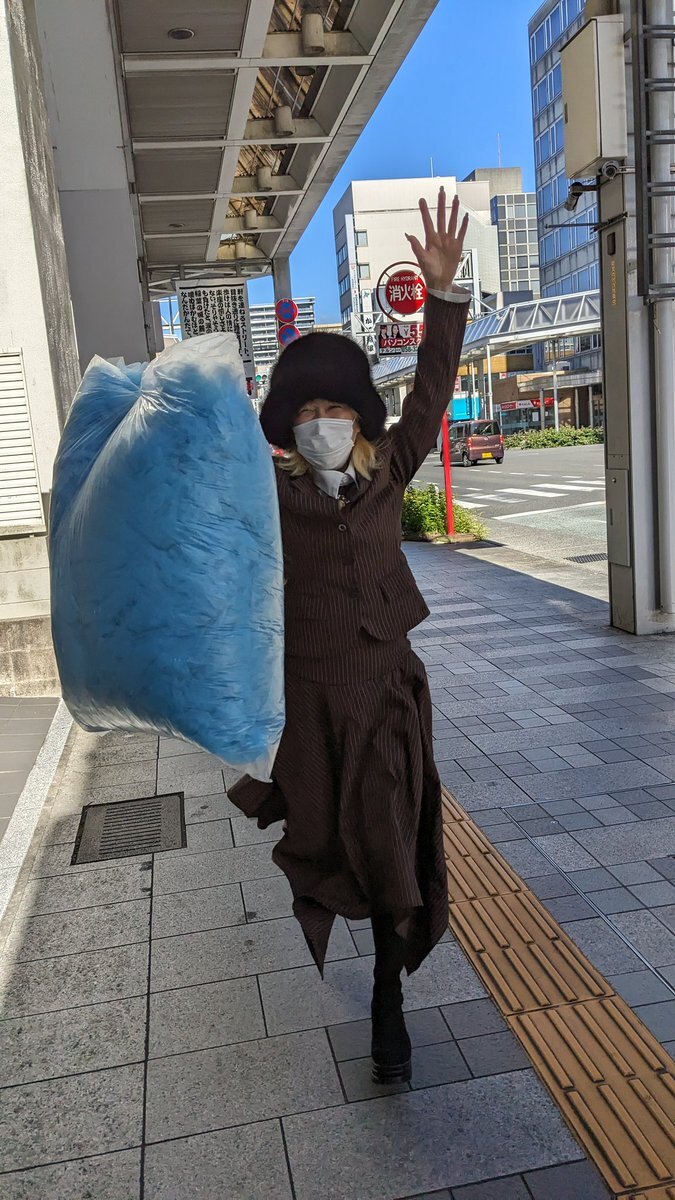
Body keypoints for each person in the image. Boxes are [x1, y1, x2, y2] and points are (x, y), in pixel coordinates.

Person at [230, 189, 470, 1084]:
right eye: (306, 410)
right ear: (288, 424)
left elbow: (433, 390)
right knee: (331, 844)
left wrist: (442, 295)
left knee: (389, 842)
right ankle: (368, 961)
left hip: (386, 695)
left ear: (361, 419)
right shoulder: (268, 495)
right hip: (310, 707)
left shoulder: (389, 471)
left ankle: (385, 1000)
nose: (322, 421)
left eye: (336, 407)